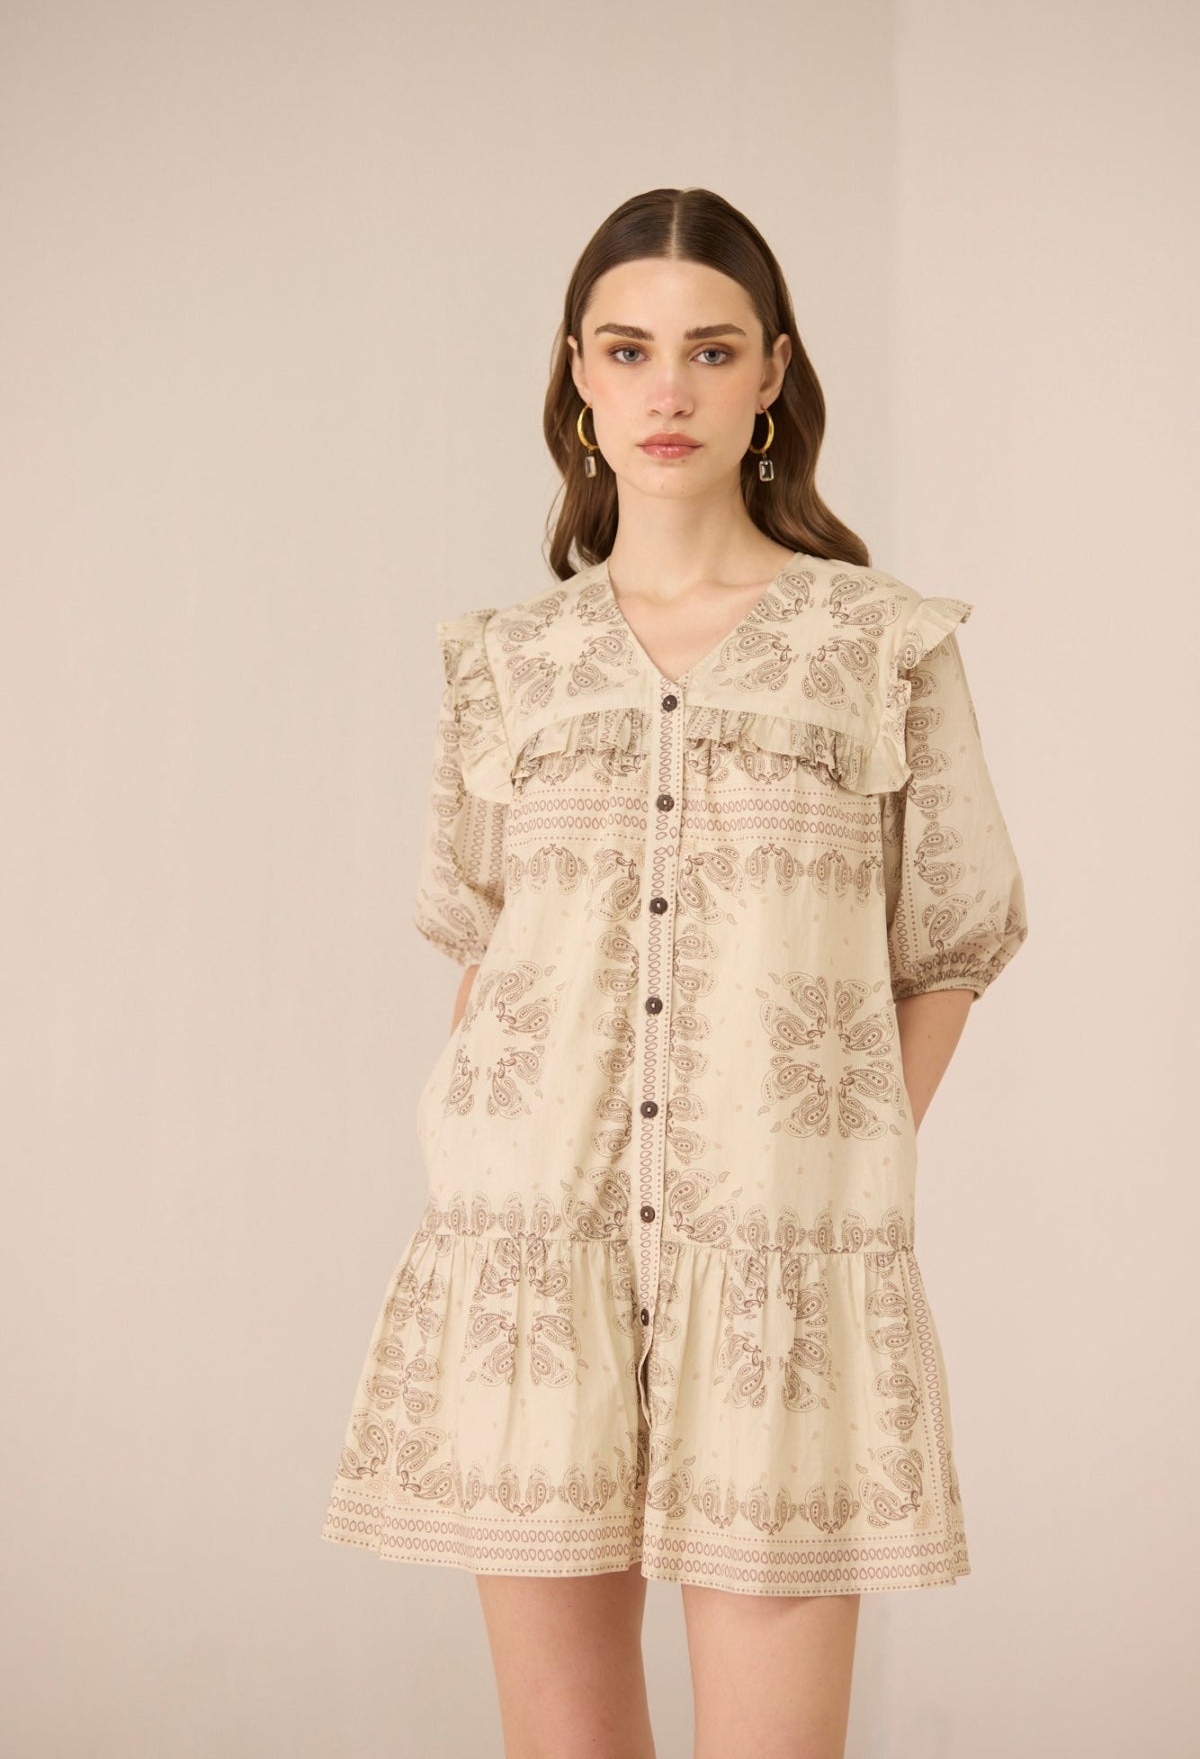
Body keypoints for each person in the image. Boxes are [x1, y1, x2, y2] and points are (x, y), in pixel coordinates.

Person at [321, 186, 1029, 1759]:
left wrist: (843, 1162)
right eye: (631, 350)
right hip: (528, 1263)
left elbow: (956, 941)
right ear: (578, 370)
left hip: (778, 1275)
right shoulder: (503, 660)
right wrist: (472, 1161)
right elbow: (486, 944)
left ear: (773, 373)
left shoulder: (880, 644)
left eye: (709, 352)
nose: (668, 389)